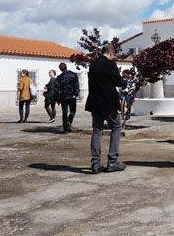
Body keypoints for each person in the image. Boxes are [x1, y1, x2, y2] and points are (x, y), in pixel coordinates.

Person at [85, 44, 125, 174]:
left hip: (94, 101)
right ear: (111, 53)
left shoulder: (93, 64)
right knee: (116, 127)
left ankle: (96, 164)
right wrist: (124, 81)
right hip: (108, 102)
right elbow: (119, 82)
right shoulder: (110, 64)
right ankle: (112, 161)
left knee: (97, 130)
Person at [53, 62, 80, 133]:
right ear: (66, 67)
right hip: (72, 96)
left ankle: (65, 127)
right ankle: (69, 121)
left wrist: (57, 99)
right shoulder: (73, 75)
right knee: (72, 111)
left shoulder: (59, 77)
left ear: (60, 69)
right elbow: (76, 85)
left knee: (64, 112)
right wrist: (76, 93)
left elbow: (56, 89)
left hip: (63, 96)